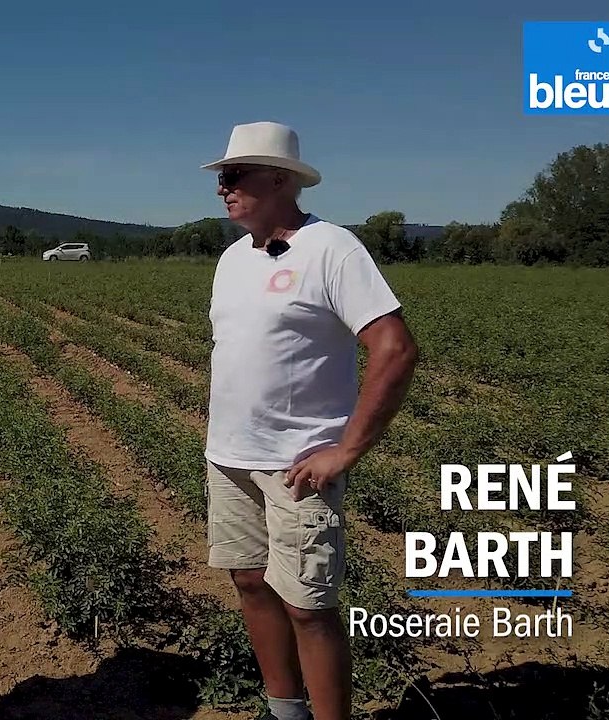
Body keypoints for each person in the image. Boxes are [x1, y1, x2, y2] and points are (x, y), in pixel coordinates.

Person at [199, 122, 418, 720]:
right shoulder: (231, 259)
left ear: (280, 179)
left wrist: (345, 450)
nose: (223, 187)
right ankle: (284, 710)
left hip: (297, 464)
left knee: (308, 607)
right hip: (229, 457)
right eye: (221, 177)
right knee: (250, 583)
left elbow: (394, 347)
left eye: (234, 175)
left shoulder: (333, 249)